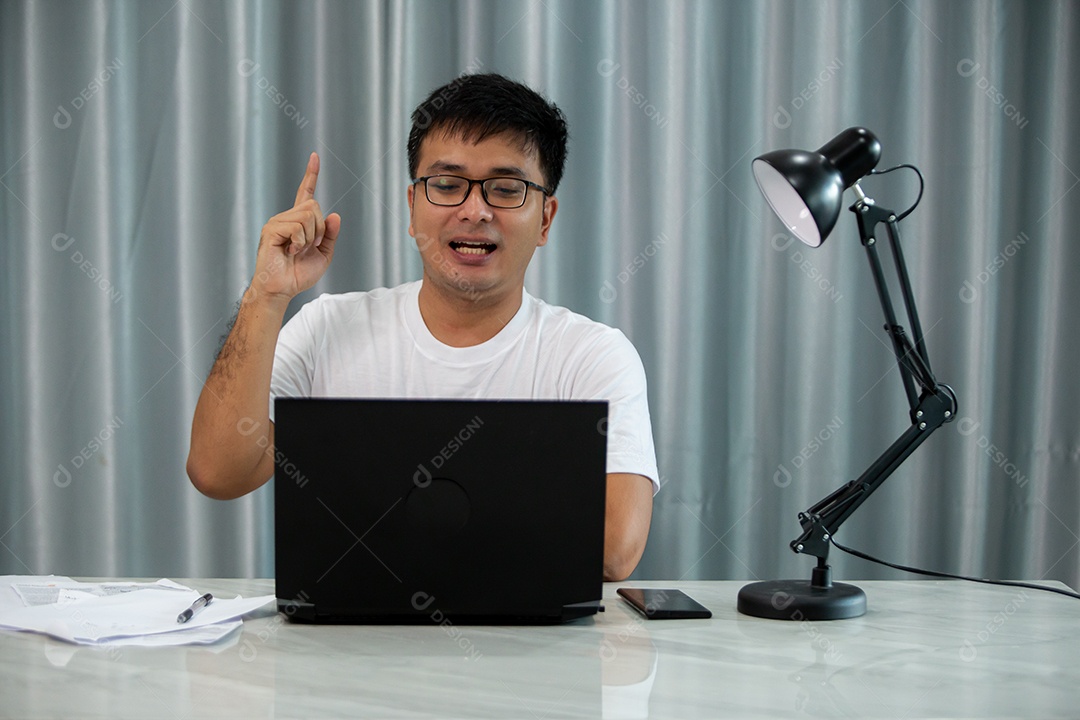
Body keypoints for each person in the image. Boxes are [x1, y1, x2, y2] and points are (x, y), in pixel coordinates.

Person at [187, 73, 658, 581]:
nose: (474, 211)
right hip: (350, 629)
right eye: (448, 185)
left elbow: (616, 550)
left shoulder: (593, 356)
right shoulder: (327, 329)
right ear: (412, 208)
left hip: (529, 631)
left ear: (545, 218)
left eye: (506, 189)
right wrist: (265, 296)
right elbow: (218, 472)